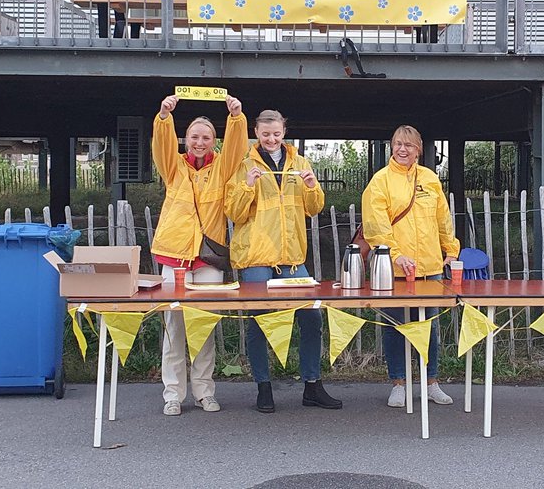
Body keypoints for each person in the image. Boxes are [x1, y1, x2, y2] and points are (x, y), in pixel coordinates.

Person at [225, 109, 341, 413]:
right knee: (260, 323)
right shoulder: (243, 165)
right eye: (265, 134)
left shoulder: (301, 162)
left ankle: (312, 386)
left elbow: (314, 208)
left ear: (284, 131)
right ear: (256, 132)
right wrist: (247, 185)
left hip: (292, 258)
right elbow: (234, 214)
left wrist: (313, 186)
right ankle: (264, 387)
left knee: (312, 318)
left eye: (276, 134)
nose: (272, 139)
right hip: (256, 257)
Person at [150, 93, 247, 417]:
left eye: (206, 137)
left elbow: (237, 149)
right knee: (174, 327)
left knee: (203, 327)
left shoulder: (223, 168)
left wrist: (236, 118)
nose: (200, 142)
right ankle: (173, 394)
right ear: (186, 139)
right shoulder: (173, 166)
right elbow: (160, 145)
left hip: (208, 257)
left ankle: (205, 391)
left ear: (214, 141)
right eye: (194, 136)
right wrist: (164, 117)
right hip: (174, 254)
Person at [361, 125, 460, 408]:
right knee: (395, 327)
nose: (402, 150)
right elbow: (376, 226)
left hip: (429, 267)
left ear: (418, 149)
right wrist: (395, 256)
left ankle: (432, 382)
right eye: (397, 144)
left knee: (429, 327)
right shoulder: (380, 182)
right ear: (392, 147)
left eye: (409, 145)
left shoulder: (430, 179)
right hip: (394, 271)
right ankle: (398, 383)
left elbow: (443, 219)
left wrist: (451, 251)